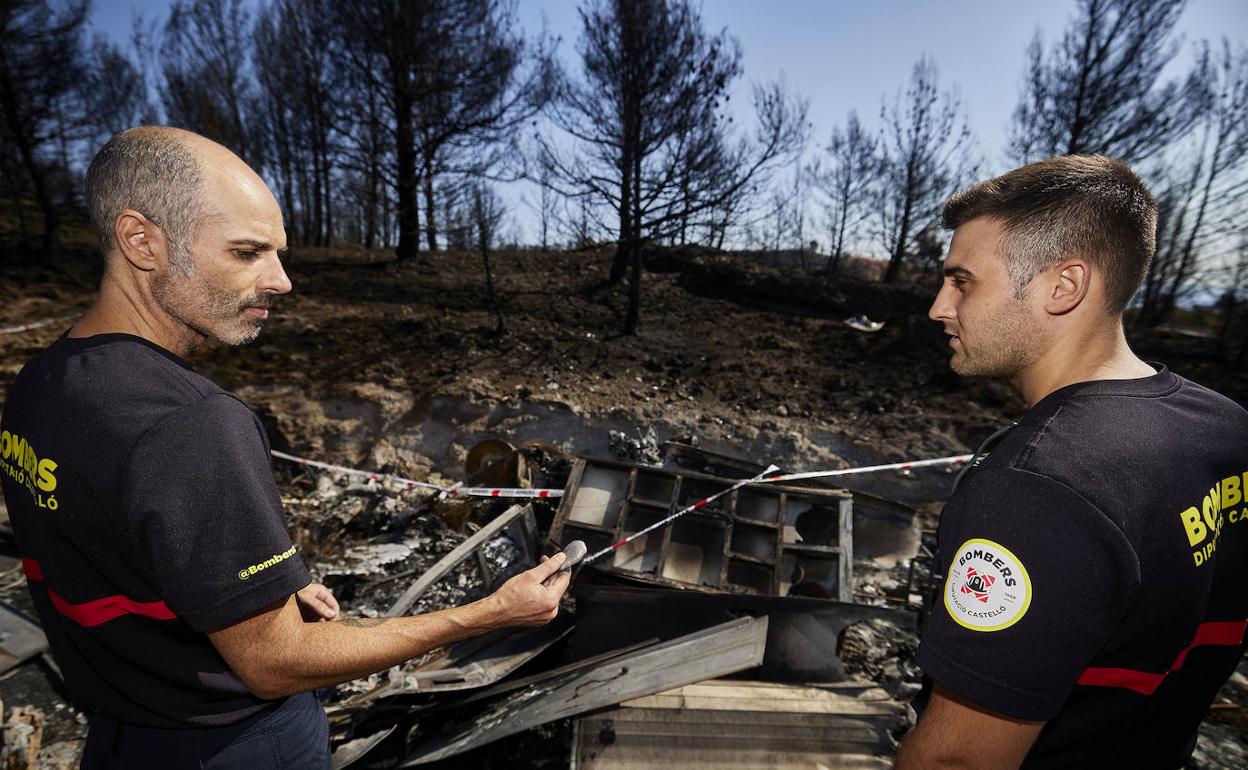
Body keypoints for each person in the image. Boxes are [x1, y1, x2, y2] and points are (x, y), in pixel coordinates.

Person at [0, 126, 571, 769]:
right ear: (142, 242)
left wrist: (262, 589)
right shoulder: (192, 424)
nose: (282, 281)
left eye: (278, 252)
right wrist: (489, 614)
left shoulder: (41, 384)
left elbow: (111, 545)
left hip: (121, 732)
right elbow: (275, 665)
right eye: (247, 253)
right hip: (235, 743)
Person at [893, 155, 1248, 769]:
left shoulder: (1038, 487)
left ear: (1064, 286)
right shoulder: (1225, 427)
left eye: (963, 280)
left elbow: (959, 761)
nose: (938, 306)